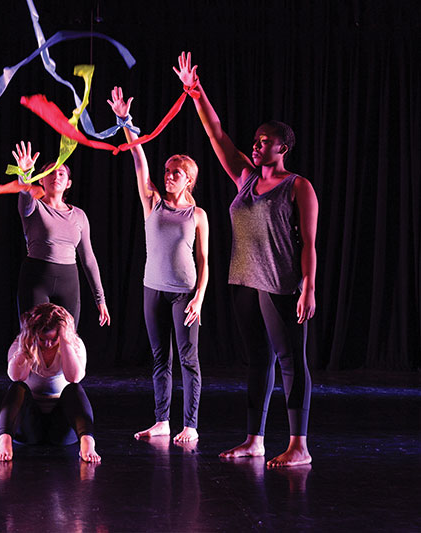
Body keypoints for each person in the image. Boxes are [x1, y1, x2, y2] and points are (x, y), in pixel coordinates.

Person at [174, 52, 318, 467]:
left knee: (291, 362)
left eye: (264, 141)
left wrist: (308, 286)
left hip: (281, 283)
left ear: (282, 147)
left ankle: (299, 445)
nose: (256, 145)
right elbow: (217, 133)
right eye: (254, 140)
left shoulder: (298, 186)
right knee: (258, 361)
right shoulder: (245, 178)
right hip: (244, 281)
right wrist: (196, 92)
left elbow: (309, 243)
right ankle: (255, 440)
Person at [108, 86, 209, 443]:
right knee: (159, 358)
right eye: (167, 170)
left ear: (189, 179)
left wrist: (199, 298)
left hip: (184, 294)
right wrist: (126, 122)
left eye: (176, 172)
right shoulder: (152, 201)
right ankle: (162, 421)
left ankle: (190, 425)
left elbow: (204, 261)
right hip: (153, 289)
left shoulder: (197, 215)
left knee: (188, 360)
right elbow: (139, 159)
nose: (168, 175)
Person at [11, 141, 111, 328]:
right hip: (36, 278)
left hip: (68, 281)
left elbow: (88, 259)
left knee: (67, 338)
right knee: (34, 337)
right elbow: (24, 193)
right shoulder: (33, 207)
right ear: (41, 179)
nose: (56, 176)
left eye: (61, 173)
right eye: (50, 172)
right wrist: (24, 174)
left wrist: (101, 299)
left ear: (68, 183)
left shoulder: (79, 216)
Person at [0, 303, 101, 463]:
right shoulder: (21, 344)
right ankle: (4, 442)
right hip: (30, 425)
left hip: (61, 426)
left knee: (74, 389)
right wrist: (28, 344)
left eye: (53, 339)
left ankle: (88, 443)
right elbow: (16, 376)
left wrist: (64, 340)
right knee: (17, 387)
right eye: (42, 340)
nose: (48, 344)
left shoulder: (75, 345)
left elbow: (74, 377)